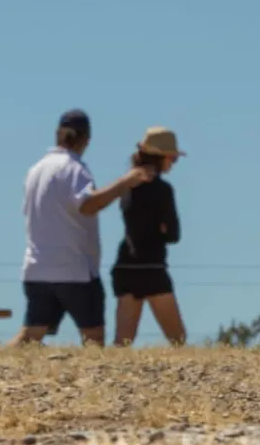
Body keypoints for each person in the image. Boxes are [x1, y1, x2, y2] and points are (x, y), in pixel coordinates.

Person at [10, 109, 156, 347]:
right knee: (93, 337)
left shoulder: (36, 169)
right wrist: (127, 181)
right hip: (74, 270)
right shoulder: (74, 169)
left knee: (31, 334)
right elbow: (87, 204)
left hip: (37, 268)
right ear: (85, 139)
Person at [111, 126, 187, 346]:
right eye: (173, 158)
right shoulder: (162, 190)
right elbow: (174, 234)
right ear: (162, 157)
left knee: (122, 342)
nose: (173, 163)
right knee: (178, 339)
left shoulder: (126, 186)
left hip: (126, 266)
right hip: (152, 267)